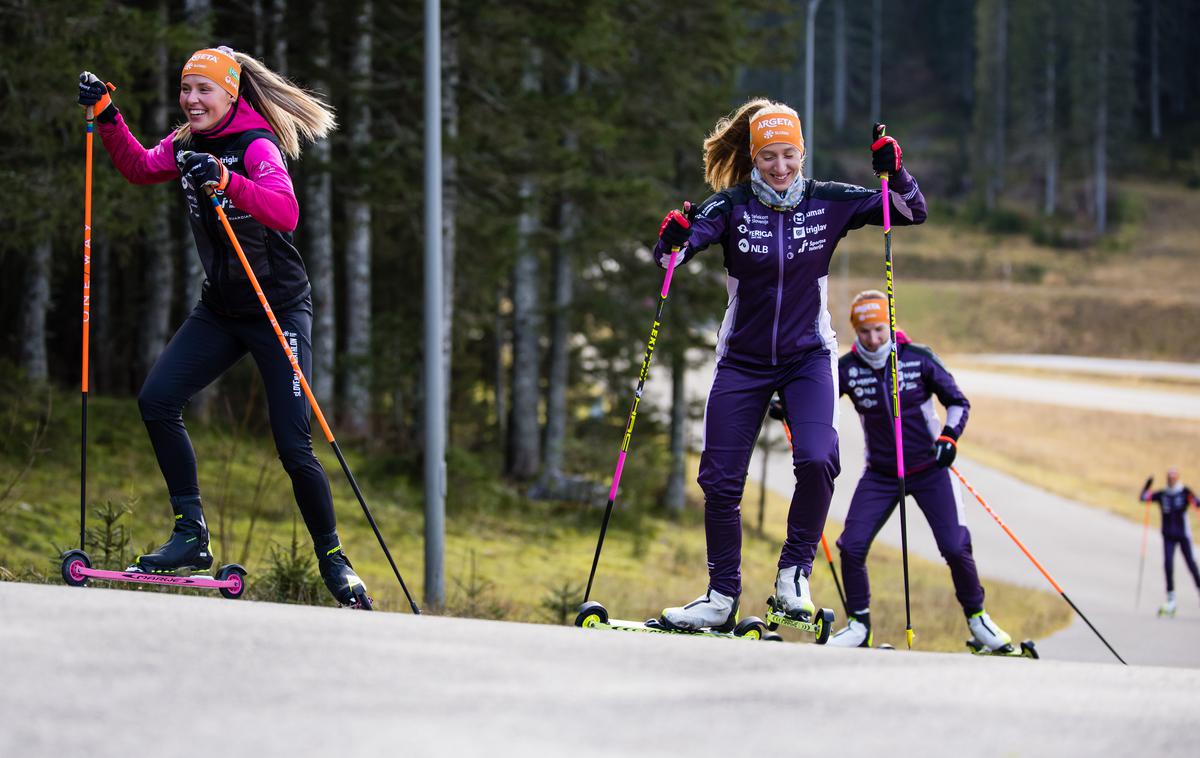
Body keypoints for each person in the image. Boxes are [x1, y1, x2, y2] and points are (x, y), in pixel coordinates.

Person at [77, 47, 369, 608]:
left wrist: (226, 180)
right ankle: (191, 535)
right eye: (186, 89)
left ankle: (334, 559)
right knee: (157, 400)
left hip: (277, 310)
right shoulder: (187, 141)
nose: (191, 100)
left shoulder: (256, 145)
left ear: (230, 94)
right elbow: (139, 167)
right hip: (220, 311)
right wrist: (107, 113)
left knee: (293, 445)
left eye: (203, 90)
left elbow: (284, 213)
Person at [651, 99, 926, 631]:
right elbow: (670, 260)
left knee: (820, 459)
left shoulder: (829, 201)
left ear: (803, 154)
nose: (780, 168)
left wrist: (896, 170)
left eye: (790, 156)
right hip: (743, 362)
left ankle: (792, 578)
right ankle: (720, 596)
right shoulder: (728, 207)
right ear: (754, 158)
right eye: (770, 157)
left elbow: (911, 210)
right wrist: (672, 239)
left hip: (808, 357)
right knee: (721, 480)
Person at [827, 290, 1014, 650]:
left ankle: (978, 620)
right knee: (851, 546)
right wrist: (785, 407)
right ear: (855, 332)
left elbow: (958, 402)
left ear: (890, 324)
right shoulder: (847, 368)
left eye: (880, 329)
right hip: (881, 474)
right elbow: (818, 401)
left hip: (930, 468)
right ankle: (858, 625)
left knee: (955, 547)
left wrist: (949, 438)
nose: (873, 339)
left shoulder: (917, 358)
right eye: (864, 332)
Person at [1140, 468, 1200, 616]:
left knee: (1191, 565)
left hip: (1183, 535)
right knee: (1168, 565)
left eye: (1174, 478)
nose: (1171, 481)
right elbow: (1143, 498)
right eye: (1169, 478)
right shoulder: (1162, 494)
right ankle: (1171, 600)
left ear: (1177, 478)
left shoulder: (1184, 492)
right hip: (1168, 537)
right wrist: (1147, 486)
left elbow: (1197, 503)